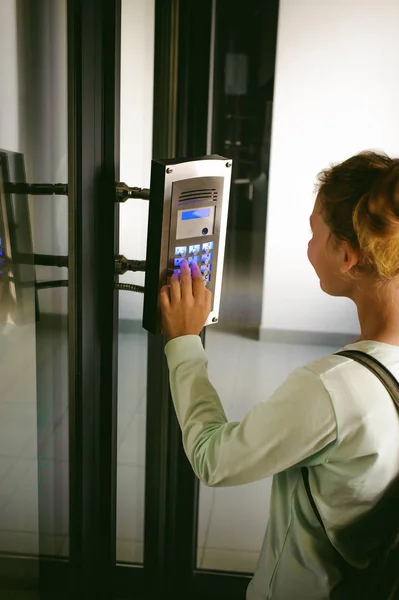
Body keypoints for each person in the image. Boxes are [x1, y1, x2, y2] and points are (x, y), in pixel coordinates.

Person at [159, 150, 399, 600]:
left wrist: (184, 341)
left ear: (346, 255)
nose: (308, 245)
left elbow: (214, 458)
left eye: (314, 232)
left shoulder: (335, 390)